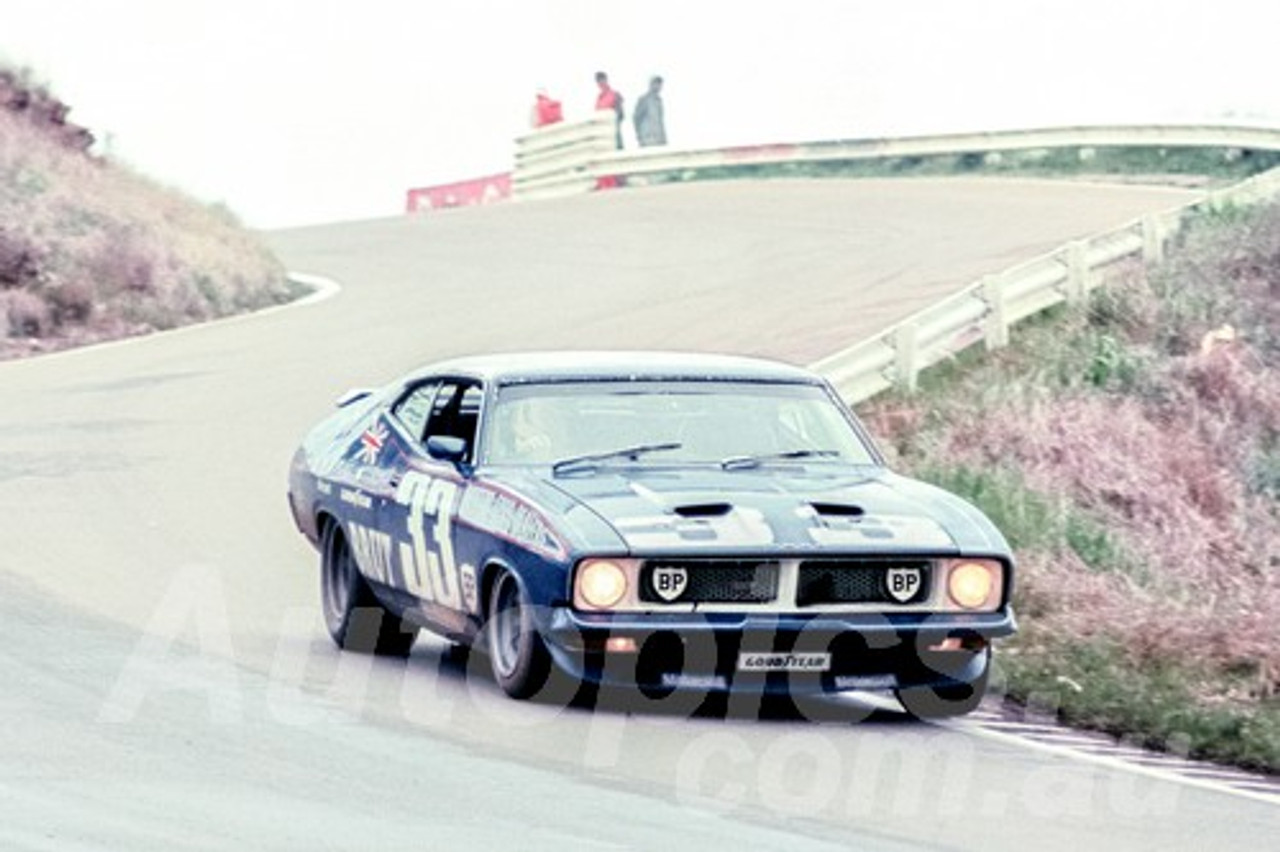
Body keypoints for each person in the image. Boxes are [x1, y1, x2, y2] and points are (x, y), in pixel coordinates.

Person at [633, 75, 666, 147]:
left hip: (659, 139)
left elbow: (660, 122)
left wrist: (664, 139)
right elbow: (636, 118)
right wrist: (639, 137)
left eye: (660, 84)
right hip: (647, 138)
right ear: (651, 84)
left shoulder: (659, 101)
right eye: (656, 83)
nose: (658, 86)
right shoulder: (644, 99)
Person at [594, 71, 624, 149]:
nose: (600, 83)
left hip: (613, 128)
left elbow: (620, 114)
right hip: (602, 131)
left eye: (601, 80)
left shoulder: (614, 94)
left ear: (606, 80)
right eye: (598, 81)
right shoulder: (599, 99)